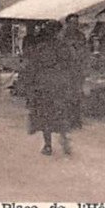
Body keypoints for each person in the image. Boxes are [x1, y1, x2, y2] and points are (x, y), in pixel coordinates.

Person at [22, 20, 77, 156]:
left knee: (45, 115)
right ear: (59, 31)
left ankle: (48, 146)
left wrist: (30, 86)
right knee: (61, 112)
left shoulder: (41, 48)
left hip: (44, 85)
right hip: (61, 84)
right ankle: (64, 139)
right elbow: (73, 65)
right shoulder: (66, 47)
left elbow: (32, 67)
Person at [61, 13, 89, 131]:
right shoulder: (62, 36)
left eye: (76, 23)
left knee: (77, 95)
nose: (75, 25)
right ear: (67, 23)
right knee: (65, 95)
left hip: (77, 70)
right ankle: (65, 120)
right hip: (65, 70)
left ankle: (76, 120)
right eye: (72, 23)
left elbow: (85, 51)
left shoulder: (81, 36)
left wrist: (84, 67)